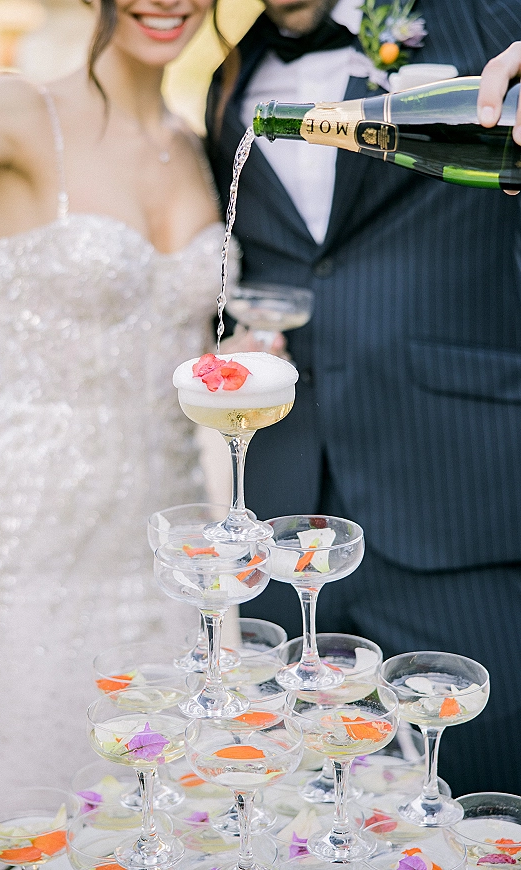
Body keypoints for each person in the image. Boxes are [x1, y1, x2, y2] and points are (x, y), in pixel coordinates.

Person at [0, 0, 234, 864]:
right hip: (26, 546)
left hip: (170, 550)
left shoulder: (198, 143)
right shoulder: (16, 110)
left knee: (159, 814)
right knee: (28, 808)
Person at [206, 0, 521, 796]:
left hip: (457, 492)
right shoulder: (226, 77)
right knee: (323, 803)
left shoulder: (489, 19)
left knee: (489, 792)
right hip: (290, 519)